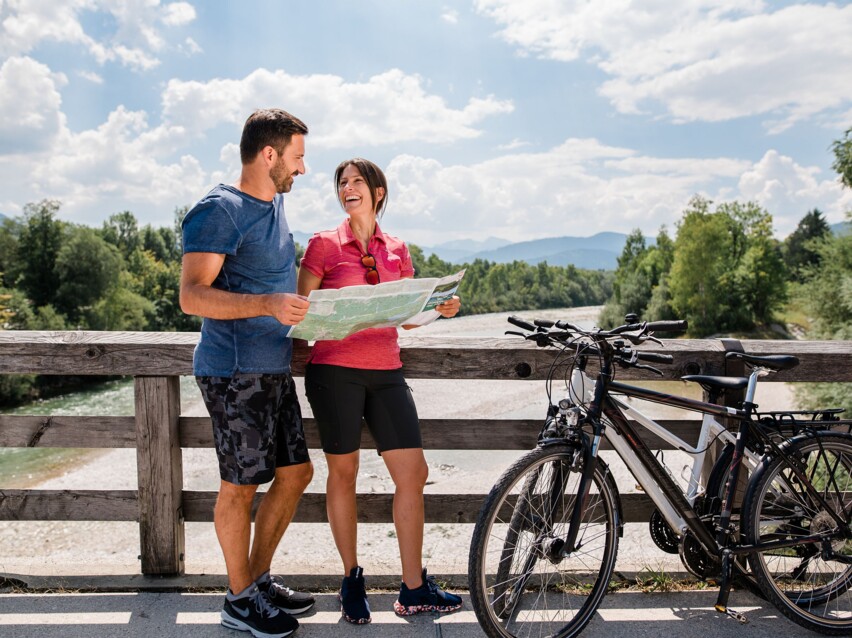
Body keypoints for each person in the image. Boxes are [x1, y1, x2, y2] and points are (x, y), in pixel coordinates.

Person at [297, 157, 463, 624]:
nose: (347, 188)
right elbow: (300, 308)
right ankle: (351, 580)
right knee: (344, 474)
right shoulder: (323, 245)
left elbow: (406, 314)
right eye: (342, 183)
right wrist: (329, 314)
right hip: (334, 372)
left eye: (356, 182)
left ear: (378, 192)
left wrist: (438, 309)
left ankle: (413, 589)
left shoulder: (397, 247)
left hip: (387, 369)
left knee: (412, 472)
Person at [180, 108, 314, 638]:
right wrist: (268, 304)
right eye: (298, 157)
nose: (302, 169)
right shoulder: (219, 211)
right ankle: (238, 601)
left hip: (273, 367)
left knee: (296, 473)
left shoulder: (274, 202)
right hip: (234, 372)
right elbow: (192, 297)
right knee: (239, 487)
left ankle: (253, 581)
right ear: (269, 155)